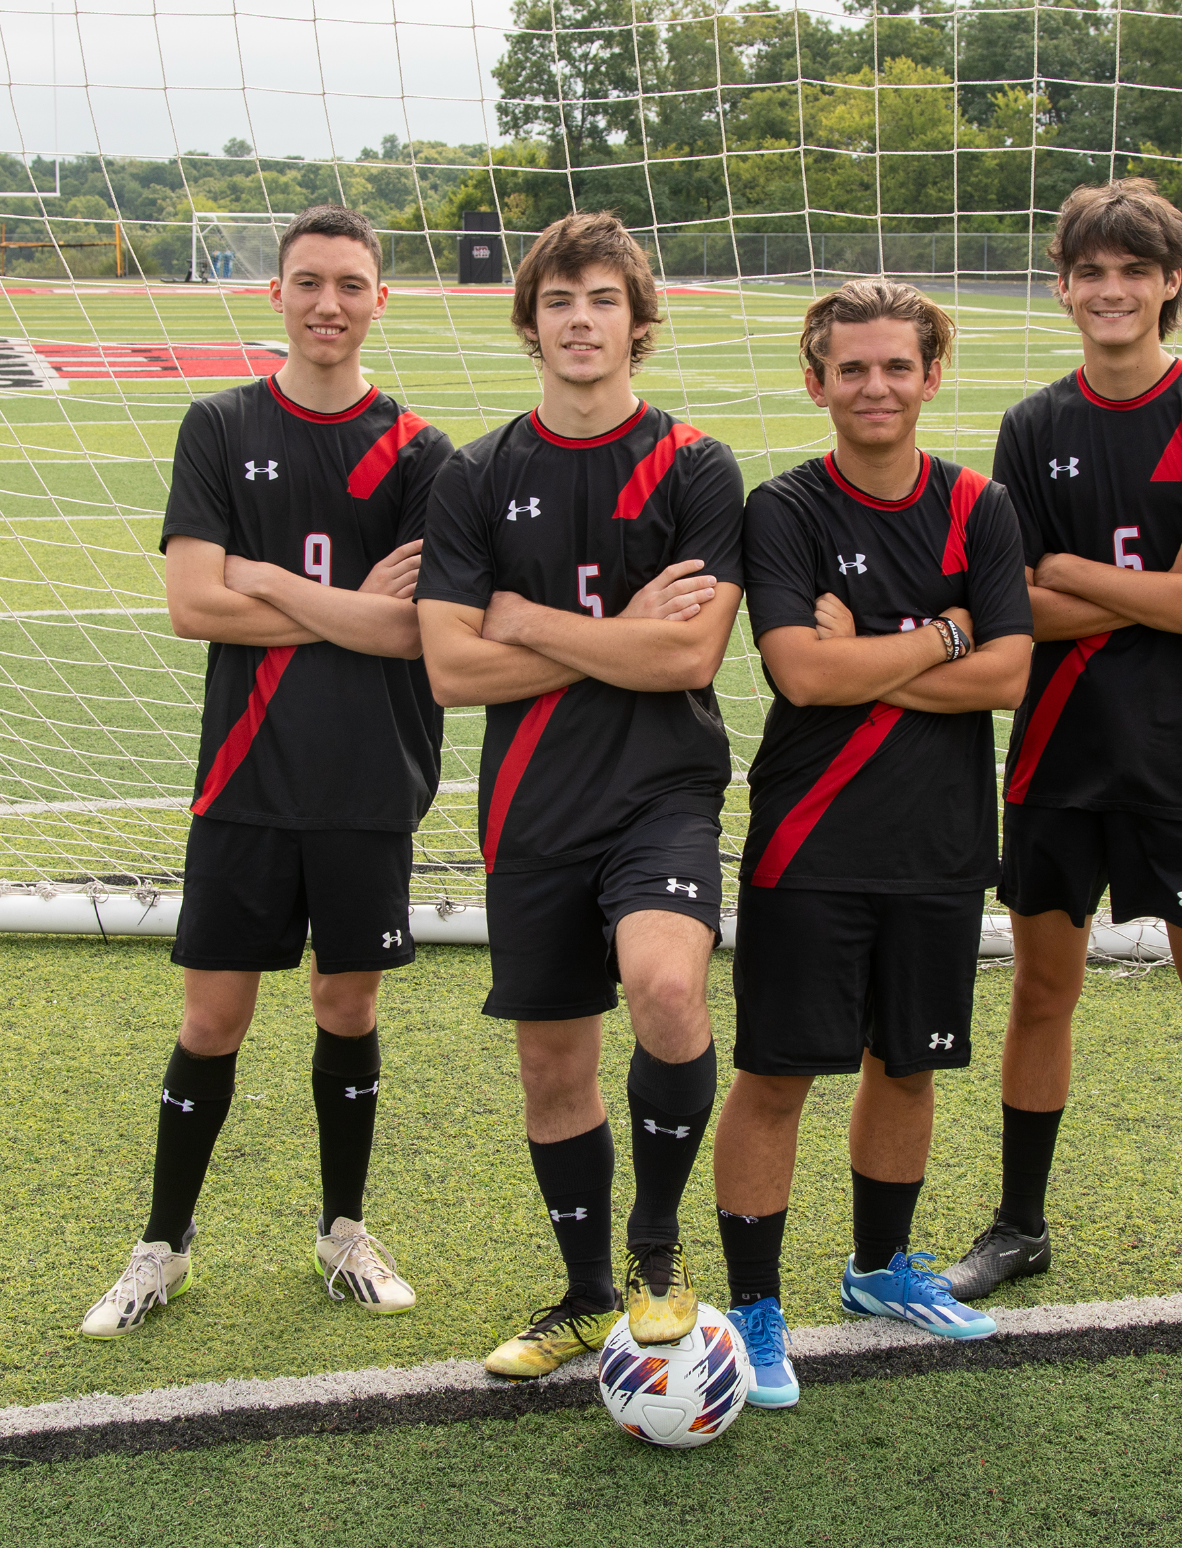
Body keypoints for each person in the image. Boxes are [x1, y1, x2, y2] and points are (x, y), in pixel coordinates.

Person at [79, 204, 452, 1337]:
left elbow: (409, 632)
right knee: (213, 1020)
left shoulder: (420, 451)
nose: (328, 303)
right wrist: (339, 605)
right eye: (307, 282)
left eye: (349, 283)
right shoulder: (220, 422)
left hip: (369, 777)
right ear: (275, 294)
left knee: (347, 1002)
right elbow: (194, 604)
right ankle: (163, 1245)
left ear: (379, 298)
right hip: (243, 777)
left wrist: (273, 584)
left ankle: (343, 1229)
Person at [941, 178, 1182, 1361]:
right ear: (1062, 286)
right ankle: (1019, 1225)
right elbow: (1014, 608)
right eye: (1089, 272)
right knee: (1041, 994)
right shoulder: (1034, 425)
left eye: (1132, 271)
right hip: (1055, 759)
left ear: (1170, 282)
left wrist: (1079, 576)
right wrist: (1146, 593)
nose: (1110, 290)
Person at [416, 212, 746, 1380]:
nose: (580, 319)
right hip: (529, 806)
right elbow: (452, 671)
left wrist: (523, 618)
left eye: (603, 298)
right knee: (553, 1069)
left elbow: (688, 660)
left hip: (660, 793)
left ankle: (657, 1253)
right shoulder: (477, 473)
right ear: (529, 322)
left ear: (637, 321)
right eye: (559, 300)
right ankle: (585, 1297)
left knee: (666, 988)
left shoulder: (697, 467)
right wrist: (612, 632)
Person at [711, 280, 1033, 1409]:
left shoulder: (978, 508)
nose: (875, 386)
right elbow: (799, 672)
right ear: (816, 382)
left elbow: (1008, 672)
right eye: (851, 368)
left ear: (931, 375)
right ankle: (755, 1307)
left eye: (896, 365)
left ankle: (880, 1270)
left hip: (939, 843)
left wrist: (893, 649)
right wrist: (946, 636)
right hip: (811, 839)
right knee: (778, 1071)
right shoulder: (784, 509)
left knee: (910, 1062)